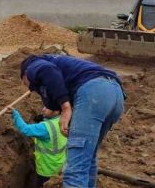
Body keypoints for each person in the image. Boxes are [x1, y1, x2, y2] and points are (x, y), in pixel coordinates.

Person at [20, 54, 124, 188]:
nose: (29, 88)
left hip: (93, 92)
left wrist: (65, 108)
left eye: (24, 83)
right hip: (115, 94)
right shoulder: (63, 67)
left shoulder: (33, 66)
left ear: (25, 74)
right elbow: (52, 100)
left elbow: (47, 71)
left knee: (75, 169)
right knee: (87, 157)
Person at [8, 105, 67, 187]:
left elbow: (26, 129)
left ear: (56, 111)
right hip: (60, 166)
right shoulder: (63, 120)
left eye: (47, 107)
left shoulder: (45, 127)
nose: (43, 109)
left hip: (46, 169)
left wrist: (15, 114)